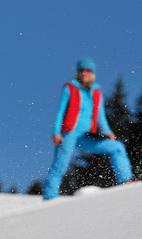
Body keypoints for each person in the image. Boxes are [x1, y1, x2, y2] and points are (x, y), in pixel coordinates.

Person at [43, 57, 134, 200]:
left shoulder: (96, 92)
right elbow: (60, 111)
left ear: (93, 73)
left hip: (86, 136)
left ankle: (126, 181)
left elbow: (100, 115)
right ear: (78, 72)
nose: (84, 73)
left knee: (117, 147)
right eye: (81, 71)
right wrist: (56, 132)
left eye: (88, 71)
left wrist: (108, 131)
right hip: (68, 134)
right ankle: (49, 198)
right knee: (60, 166)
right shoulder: (70, 88)